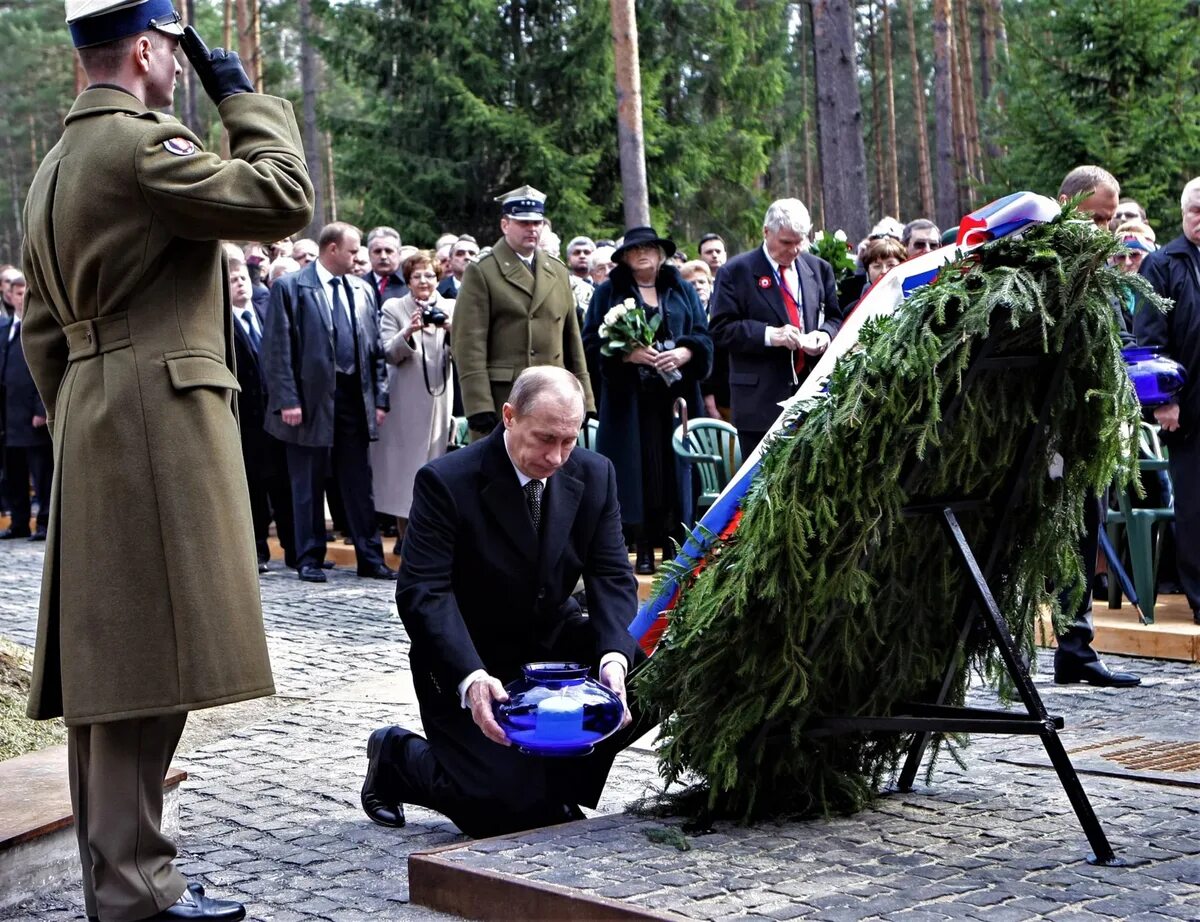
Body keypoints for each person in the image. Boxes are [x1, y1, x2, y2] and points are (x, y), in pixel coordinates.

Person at [19, 3, 313, 920]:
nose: (183, 69)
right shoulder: (143, 146)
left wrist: (85, 414)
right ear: (145, 48)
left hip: (100, 415)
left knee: (118, 670)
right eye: (175, 53)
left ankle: (127, 880)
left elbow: (40, 334)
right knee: (146, 670)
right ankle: (135, 891)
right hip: (157, 421)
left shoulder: (56, 165)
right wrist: (244, 101)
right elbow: (283, 199)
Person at [360, 366, 643, 838]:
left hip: (553, 647)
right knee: (497, 813)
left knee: (647, 671)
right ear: (509, 417)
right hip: (471, 657)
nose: (556, 457)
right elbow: (423, 592)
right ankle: (399, 758)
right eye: (544, 439)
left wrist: (613, 656)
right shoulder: (445, 480)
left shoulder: (596, 473)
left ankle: (553, 789)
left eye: (569, 440)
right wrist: (470, 678)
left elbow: (612, 576)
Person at [262, 222, 396, 584]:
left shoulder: (362, 289)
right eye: (353, 251)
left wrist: (379, 400)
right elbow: (277, 349)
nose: (358, 258)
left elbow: (375, 351)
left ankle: (370, 558)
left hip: (354, 400)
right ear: (332, 249)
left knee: (359, 483)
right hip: (308, 402)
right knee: (307, 483)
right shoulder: (291, 287)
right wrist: (287, 399)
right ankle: (309, 557)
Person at [1050, 165, 1140, 687]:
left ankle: (1075, 647)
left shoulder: (1103, 273)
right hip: (1047, 431)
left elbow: (1118, 340)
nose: (1104, 231)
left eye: (1110, 221)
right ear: (1065, 204)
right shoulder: (1044, 268)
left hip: (1091, 428)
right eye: (1095, 218)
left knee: (1086, 530)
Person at [582, 227, 712, 574]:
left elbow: (704, 336)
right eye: (635, 249)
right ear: (625, 256)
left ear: (660, 254)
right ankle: (641, 544)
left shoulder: (681, 288)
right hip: (629, 402)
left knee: (674, 470)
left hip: (676, 399)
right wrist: (627, 356)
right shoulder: (608, 292)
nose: (642, 254)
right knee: (636, 472)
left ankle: (674, 543)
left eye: (649, 248)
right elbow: (590, 343)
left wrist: (685, 352)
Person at [453, 185, 595, 440]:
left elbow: (572, 340)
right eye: (523, 222)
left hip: (555, 394)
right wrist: (478, 404)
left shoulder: (557, 270)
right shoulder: (483, 271)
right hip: (504, 396)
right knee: (503, 462)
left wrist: (585, 397)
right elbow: (469, 345)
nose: (532, 229)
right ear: (505, 225)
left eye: (537, 222)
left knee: (550, 460)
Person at [708, 198, 845, 457]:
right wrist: (771, 335)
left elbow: (835, 318)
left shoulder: (819, 268)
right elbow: (721, 329)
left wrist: (824, 335)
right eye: (786, 242)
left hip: (813, 397)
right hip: (760, 403)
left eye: (800, 241)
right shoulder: (735, 272)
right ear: (766, 232)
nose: (794, 250)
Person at [1137, 176, 1200, 628]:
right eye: (1197, 211)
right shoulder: (1161, 264)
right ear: (1182, 213)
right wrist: (1164, 401)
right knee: (1195, 507)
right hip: (1189, 408)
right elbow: (1150, 338)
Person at [371, 251, 455, 542]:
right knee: (404, 473)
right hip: (405, 400)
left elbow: (467, 352)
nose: (423, 281)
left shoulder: (452, 307)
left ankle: (432, 538)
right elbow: (387, 352)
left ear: (438, 279)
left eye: (429, 275)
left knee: (436, 468)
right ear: (407, 281)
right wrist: (407, 331)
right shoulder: (394, 307)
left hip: (439, 400)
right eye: (416, 276)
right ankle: (405, 539)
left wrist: (451, 328)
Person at [228, 258, 295, 572]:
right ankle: (257, 551)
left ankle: (295, 550)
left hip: (277, 415)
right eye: (233, 280)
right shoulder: (221, 324)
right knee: (253, 488)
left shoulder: (267, 312)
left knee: (284, 485)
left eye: (243, 278)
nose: (240, 284)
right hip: (245, 419)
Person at [1, 276, 51, 541]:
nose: (22, 298)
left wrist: (42, 408)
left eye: (25, 292)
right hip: (8, 419)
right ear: (9, 296)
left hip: (32, 417)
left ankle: (44, 523)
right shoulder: (5, 330)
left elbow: (47, 368)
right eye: (17, 293)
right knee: (14, 474)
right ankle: (19, 522)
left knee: (42, 475)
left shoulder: (40, 329)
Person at [364, 226, 408, 310]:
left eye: (388, 251)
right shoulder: (358, 285)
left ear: (399, 254)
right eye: (377, 251)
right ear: (369, 254)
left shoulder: (411, 283)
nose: (383, 256)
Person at [436, 234, 478, 299]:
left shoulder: (490, 287)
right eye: (460, 254)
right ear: (450, 260)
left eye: (471, 253)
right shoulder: (437, 291)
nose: (467, 257)